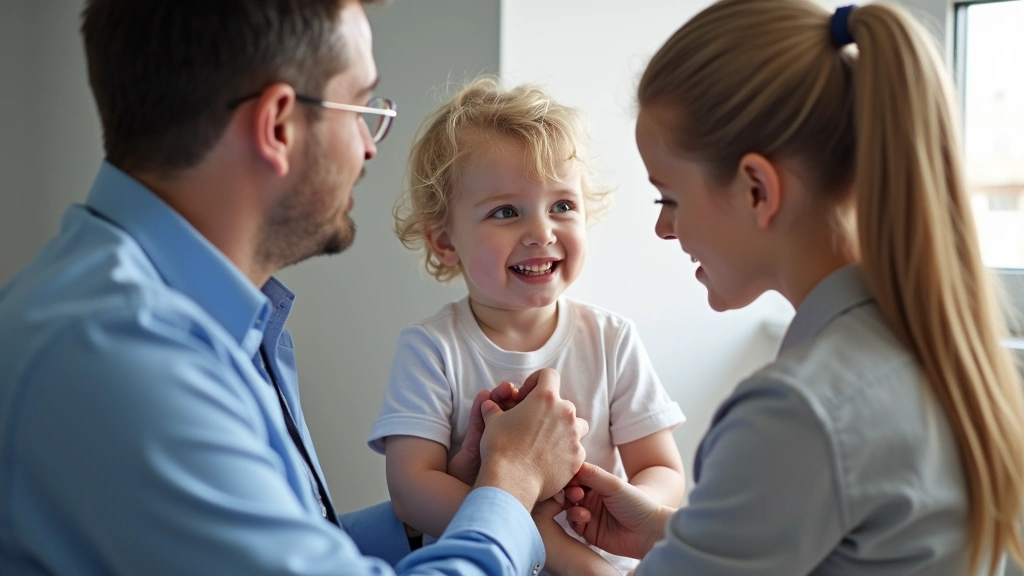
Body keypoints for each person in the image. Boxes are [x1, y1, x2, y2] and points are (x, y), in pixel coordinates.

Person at [0, 1, 590, 574]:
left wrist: (452, 505)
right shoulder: (122, 355)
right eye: (359, 106)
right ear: (278, 125)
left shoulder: (197, 317)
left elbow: (290, 547)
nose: (368, 144)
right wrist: (512, 483)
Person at [546, 0, 1024, 574]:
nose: (663, 228)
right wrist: (668, 534)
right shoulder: (941, 351)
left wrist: (519, 517)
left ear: (756, 190)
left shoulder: (798, 411)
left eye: (668, 197)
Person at [367, 78, 686, 575]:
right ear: (446, 242)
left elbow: (662, 469)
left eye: (562, 205)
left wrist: (622, 501)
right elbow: (412, 490)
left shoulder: (611, 338)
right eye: (506, 212)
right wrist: (540, 537)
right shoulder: (432, 348)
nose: (541, 232)